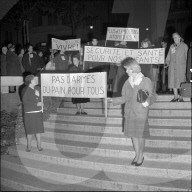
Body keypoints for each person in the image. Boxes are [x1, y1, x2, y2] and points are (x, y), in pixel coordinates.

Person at [110, 57, 153, 166]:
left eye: (128, 69)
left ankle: (140, 156)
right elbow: (124, 98)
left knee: (140, 136)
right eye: (126, 69)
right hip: (129, 113)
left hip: (140, 113)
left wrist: (146, 102)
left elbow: (151, 96)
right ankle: (137, 154)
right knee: (133, 136)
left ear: (133, 68)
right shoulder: (127, 82)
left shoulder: (145, 80)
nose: (126, 71)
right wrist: (112, 100)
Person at [21, 74, 44, 152]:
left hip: (37, 113)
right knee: (29, 131)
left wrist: (40, 104)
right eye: (34, 79)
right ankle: (29, 146)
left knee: (38, 130)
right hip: (29, 113)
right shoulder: (25, 90)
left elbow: (39, 98)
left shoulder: (37, 88)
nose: (36, 80)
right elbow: (25, 102)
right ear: (30, 81)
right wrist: (36, 104)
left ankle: (39, 146)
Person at [165, 32, 188, 102]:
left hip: (181, 67)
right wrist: (166, 63)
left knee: (181, 82)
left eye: (176, 37)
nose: (175, 39)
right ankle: (175, 96)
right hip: (172, 67)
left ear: (179, 37)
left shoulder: (184, 46)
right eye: (173, 37)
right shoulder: (172, 46)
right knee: (173, 81)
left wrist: (187, 67)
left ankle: (181, 97)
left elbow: (187, 57)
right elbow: (169, 55)